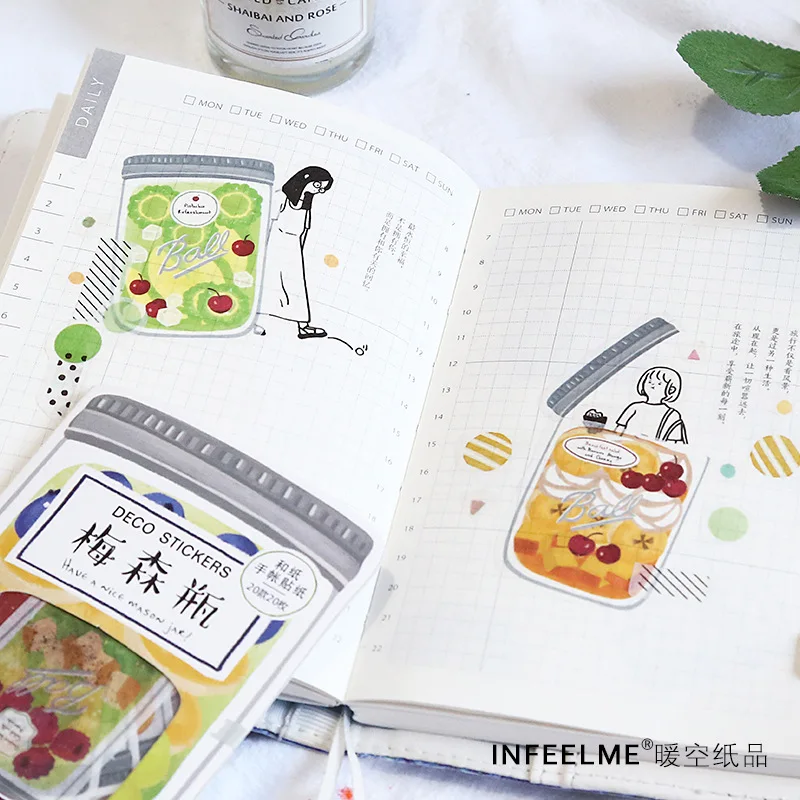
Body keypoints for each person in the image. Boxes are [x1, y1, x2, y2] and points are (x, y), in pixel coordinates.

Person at [258, 166, 333, 339]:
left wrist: (299, 250)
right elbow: (266, 221)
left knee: (296, 285)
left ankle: (303, 326)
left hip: (293, 248)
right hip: (274, 243)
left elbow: (304, 230)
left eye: (323, 188)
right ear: (305, 179)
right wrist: (262, 249)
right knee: (267, 281)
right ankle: (254, 318)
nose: (320, 190)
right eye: (318, 185)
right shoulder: (281, 197)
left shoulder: (306, 204)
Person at [615, 366, 688, 443]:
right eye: (649, 382)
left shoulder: (672, 414)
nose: (652, 385)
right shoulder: (634, 407)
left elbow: (674, 441)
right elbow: (619, 429)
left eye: (659, 383)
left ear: (671, 389)